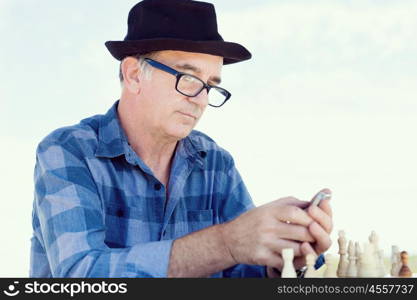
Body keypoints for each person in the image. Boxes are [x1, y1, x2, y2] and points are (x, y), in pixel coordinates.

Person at [30, 0, 333, 278]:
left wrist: (281, 262)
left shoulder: (215, 163)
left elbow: (241, 272)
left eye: (211, 85)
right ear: (134, 74)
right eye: (188, 78)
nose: (201, 99)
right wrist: (225, 243)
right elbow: (80, 276)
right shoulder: (68, 151)